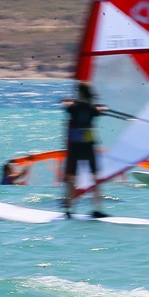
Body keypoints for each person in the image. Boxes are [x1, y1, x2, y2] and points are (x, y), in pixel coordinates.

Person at [61, 82, 108, 218]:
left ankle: (69, 210)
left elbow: (67, 106)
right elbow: (99, 111)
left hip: (75, 148)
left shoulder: (73, 108)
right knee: (95, 179)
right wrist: (99, 107)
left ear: (79, 93)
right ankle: (96, 209)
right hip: (88, 147)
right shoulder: (92, 109)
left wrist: (72, 101)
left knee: (72, 180)